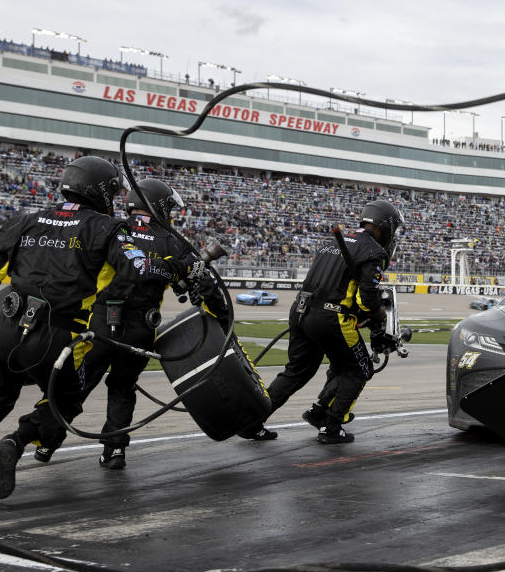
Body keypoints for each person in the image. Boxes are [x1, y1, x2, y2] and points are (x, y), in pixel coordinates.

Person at [0, 156, 198, 499]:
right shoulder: (106, 228)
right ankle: (17, 440)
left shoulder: (25, 221)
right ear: (101, 191)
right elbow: (137, 269)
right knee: (65, 401)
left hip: (7, 329)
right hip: (56, 337)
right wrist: (175, 268)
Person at [75, 177, 242, 471]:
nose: (172, 215)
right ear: (158, 206)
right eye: (169, 209)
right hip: (141, 327)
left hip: (100, 320)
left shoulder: (110, 229)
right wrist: (224, 321)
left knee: (78, 382)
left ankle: (43, 440)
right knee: (123, 386)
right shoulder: (172, 240)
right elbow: (206, 285)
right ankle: (114, 451)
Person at [253, 200, 404, 444]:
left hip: (300, 310)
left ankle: (253, 421)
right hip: (331, 318)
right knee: (359, 369)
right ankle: (332, 426)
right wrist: (381, 318)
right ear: (384, 226)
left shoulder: (331, 243)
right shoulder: (374, 251)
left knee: (296, 372)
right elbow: (367, 300)